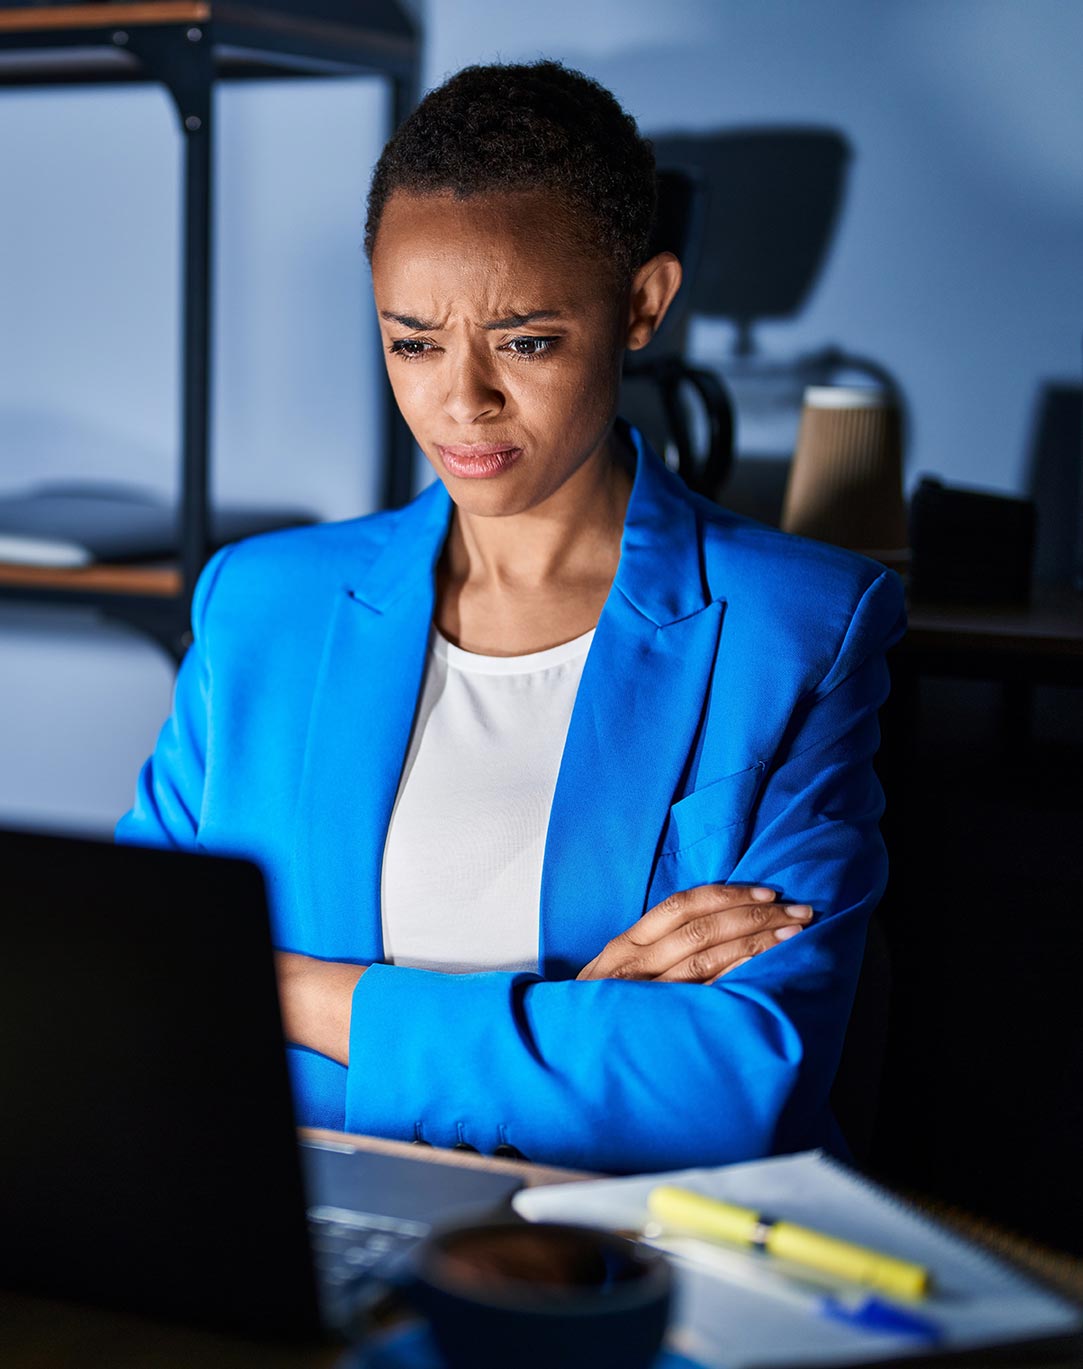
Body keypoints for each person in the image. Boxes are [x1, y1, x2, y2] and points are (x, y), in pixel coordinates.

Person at [117, 61, 905, 1174]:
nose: (462, 400)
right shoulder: (259, 606)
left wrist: (278, 982)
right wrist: (572, 1025)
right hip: (295, 1229)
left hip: (624, 1257)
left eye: (526, 341)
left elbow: (732, 1090)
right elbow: (137, 990)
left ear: (642, 304)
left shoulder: (803, 628)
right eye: (413, 341)